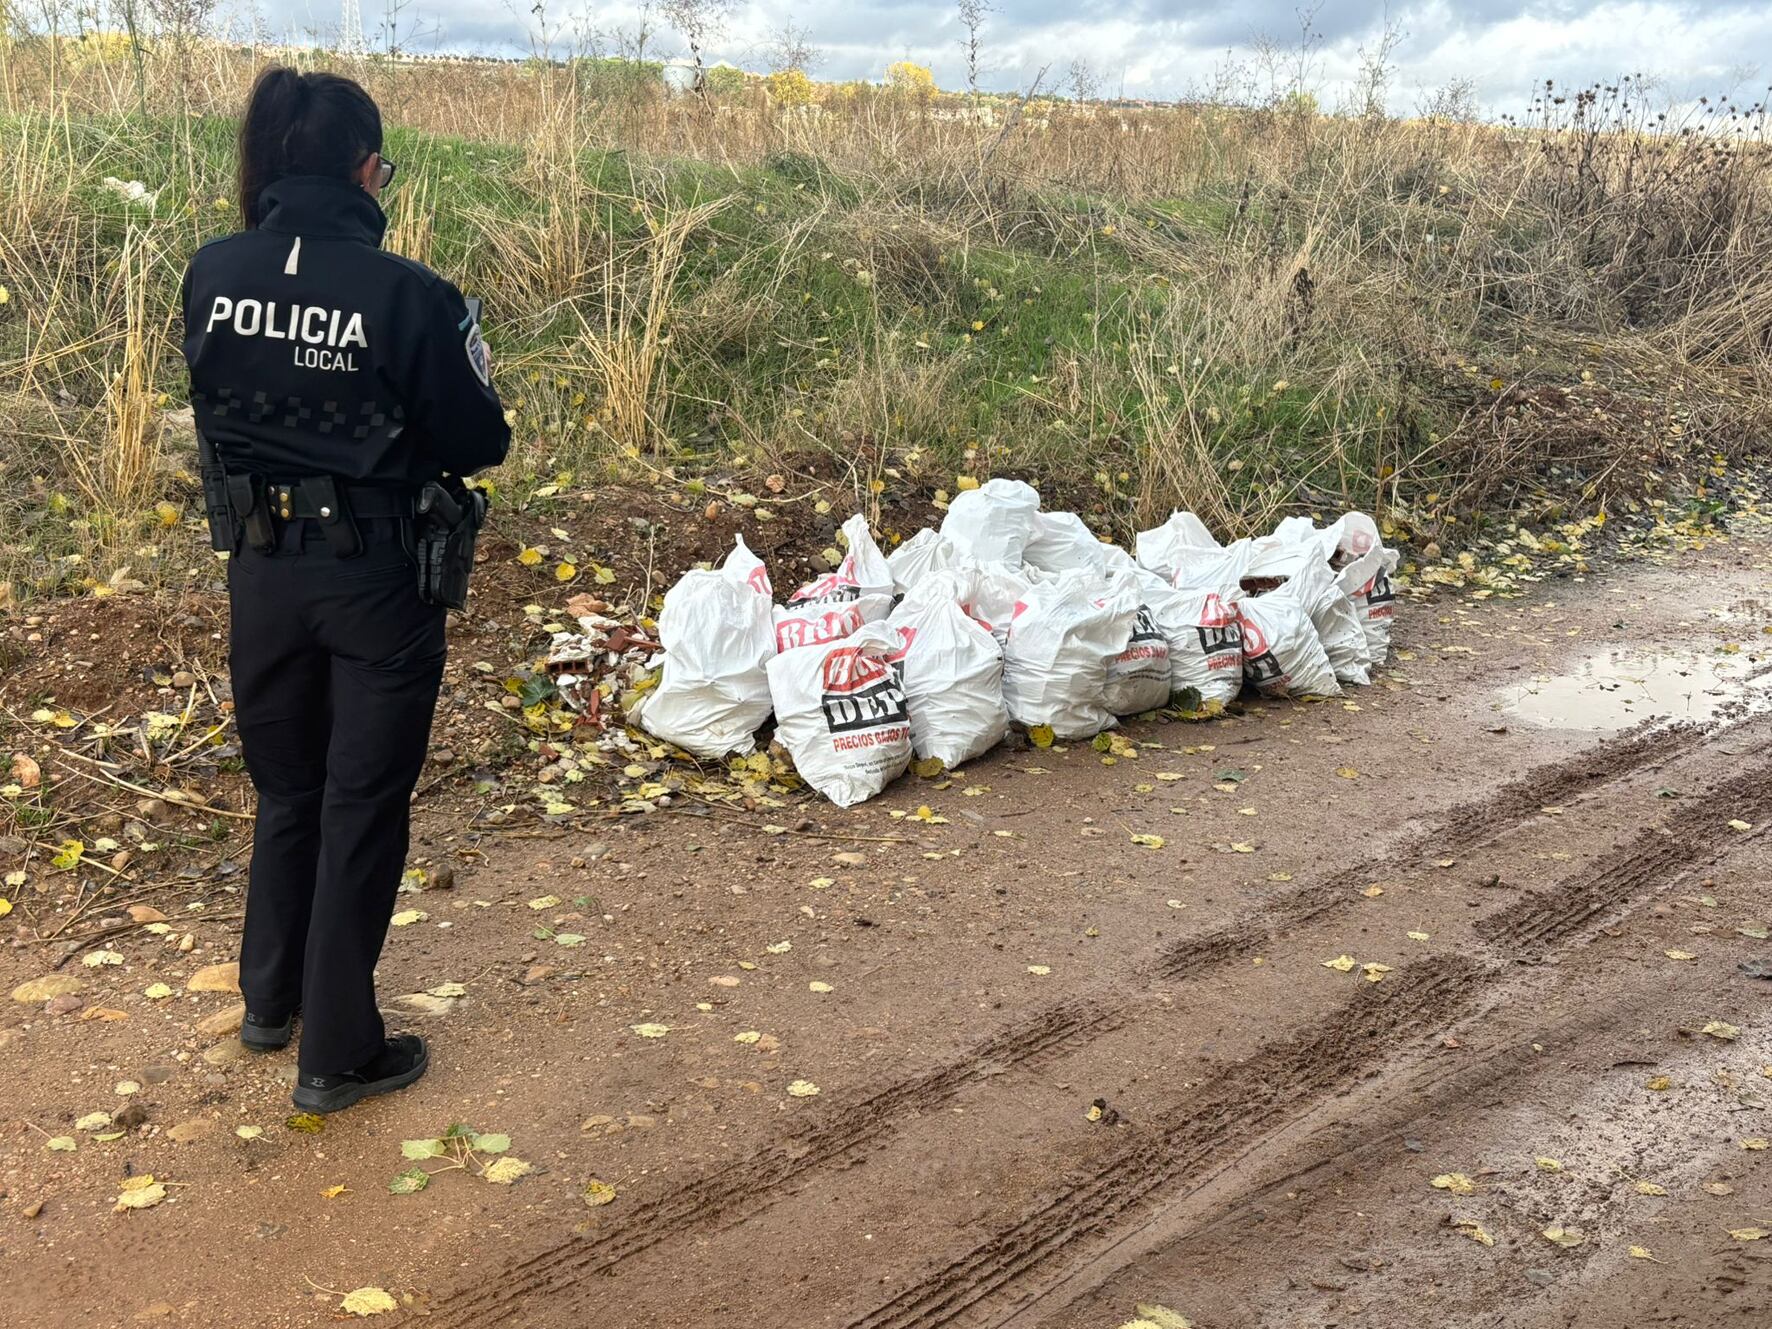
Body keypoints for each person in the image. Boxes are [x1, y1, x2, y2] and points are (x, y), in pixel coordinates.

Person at [180, 67, 511, 1113]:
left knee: (288, 789)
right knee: (363, 800)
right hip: (373, 575)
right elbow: (479, 439)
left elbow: (213, 402)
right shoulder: (410, 295)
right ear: (368, 170)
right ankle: (339, 1051)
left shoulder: (210, 271)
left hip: (261, 571)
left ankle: (269, 1003)